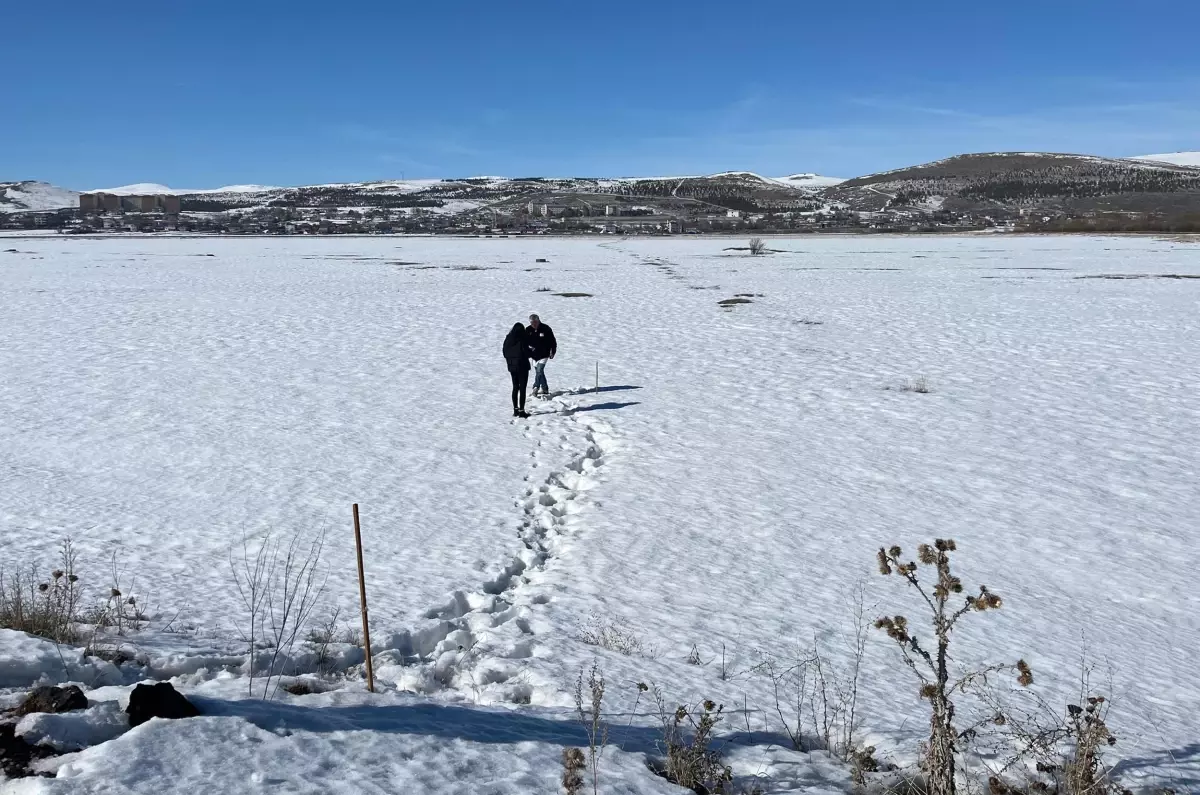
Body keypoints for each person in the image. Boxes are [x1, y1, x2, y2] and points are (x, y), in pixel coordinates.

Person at [503, 322, 531, 418]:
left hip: (512, 367)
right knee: (522, 388)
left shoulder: (508, 339)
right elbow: (527, 352)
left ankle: (515, 409)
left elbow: (504, 353)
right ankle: (522, 411)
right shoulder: (523, 339)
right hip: (522, 366)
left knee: (515, 387)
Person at [526, 314, 557, 397]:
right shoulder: (528, 330)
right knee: (539, 372)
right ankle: (545, 388)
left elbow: (553, 341)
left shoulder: (546, 329)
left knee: (539, 370)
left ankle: (535, 387)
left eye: (535, 322)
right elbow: (525, 342)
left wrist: (553, 351)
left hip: (544, 354)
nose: (533, 324)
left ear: (538, 320)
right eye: (532, 322)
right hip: (534, 356)